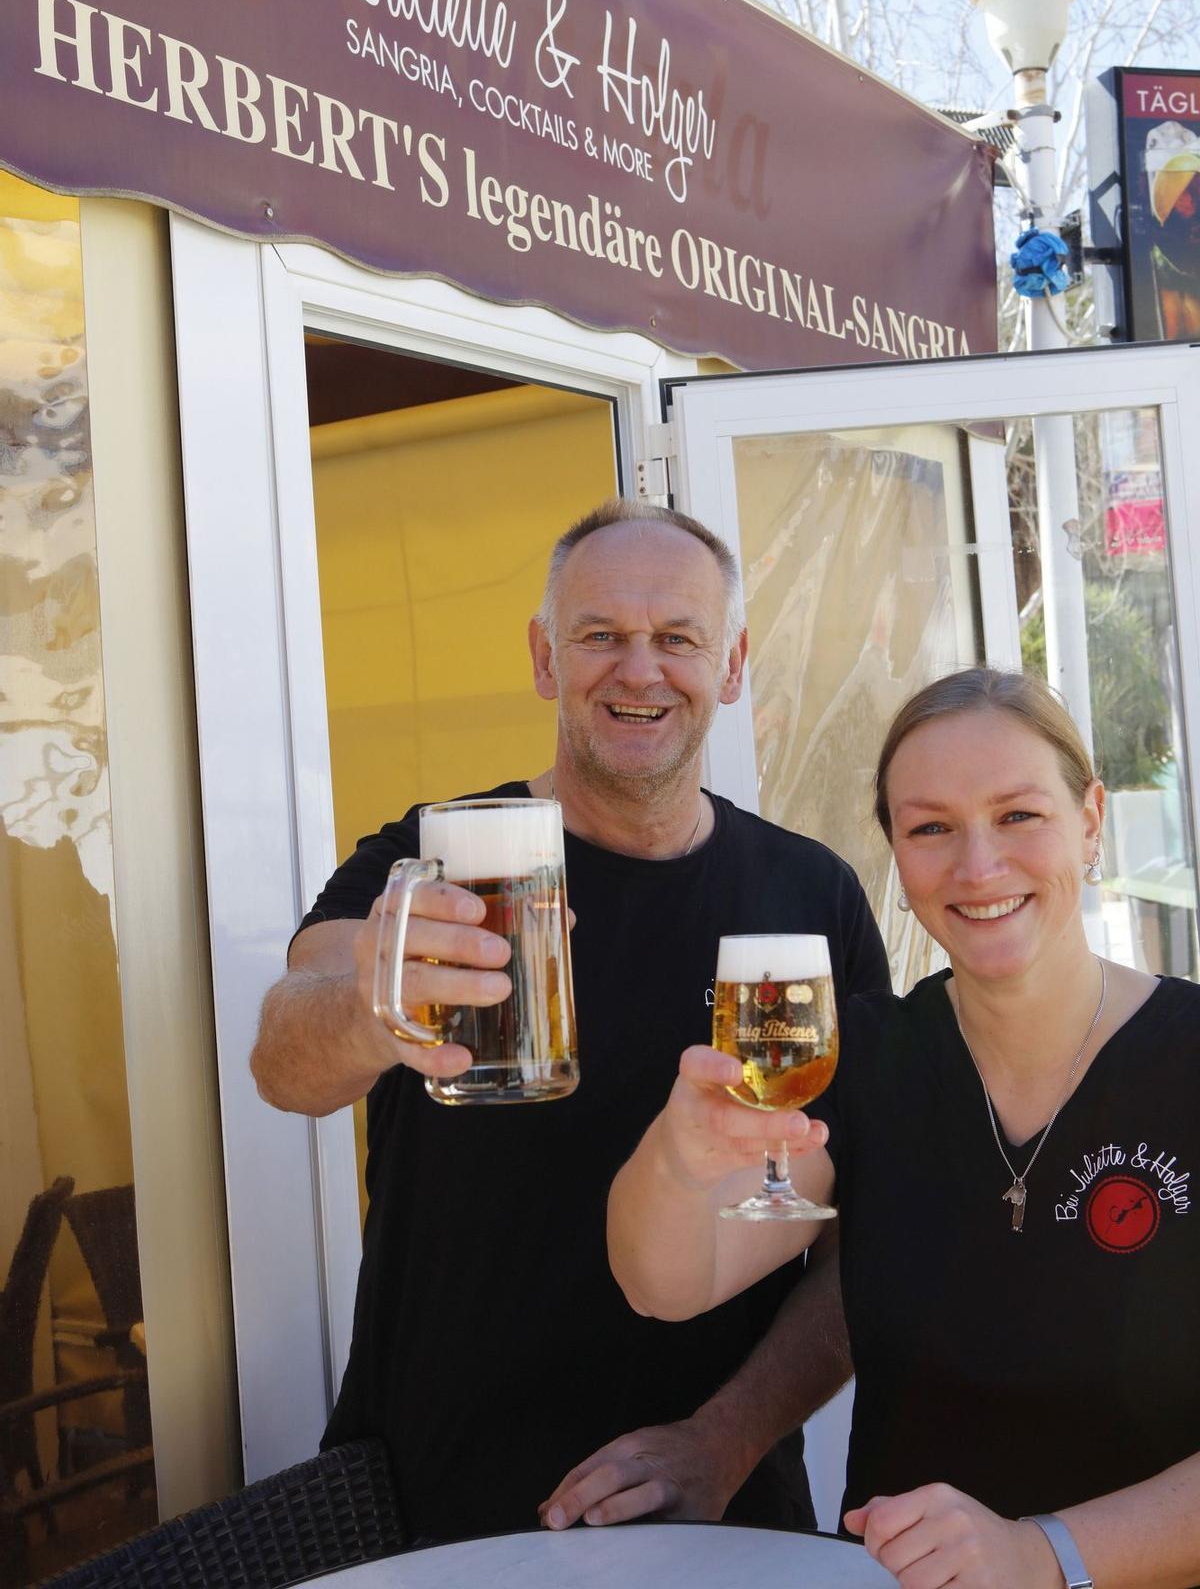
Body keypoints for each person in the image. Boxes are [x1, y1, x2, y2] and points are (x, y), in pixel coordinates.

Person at [250, 497, 891, 1546]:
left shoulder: (809, 897)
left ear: (730, 666)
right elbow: (285, 1057)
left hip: (719, 1506)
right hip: (435, 1496)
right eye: (600, 636)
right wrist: (378, 1009)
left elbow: (866, 1234)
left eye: (676, 639)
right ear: (547, 658)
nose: (639, 669)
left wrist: (726, 1439)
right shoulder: (438, 855)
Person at [609, 666, 1200, 1588]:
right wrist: (678, 1163)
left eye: (1018, 816)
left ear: (1090, 820)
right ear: (895, 851)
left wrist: (1044, 1554)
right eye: (931, 828)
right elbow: (666, 1284)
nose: (977, 866)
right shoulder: (865, 1056)